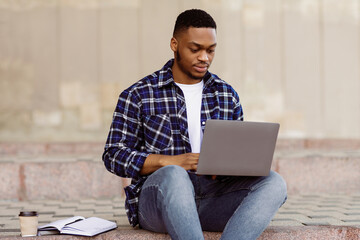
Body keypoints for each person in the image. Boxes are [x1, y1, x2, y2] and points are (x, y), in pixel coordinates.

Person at [103, 9, 287, 240]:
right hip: (158, 203)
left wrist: (229, 167)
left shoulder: (226, 94)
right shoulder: (138, 94)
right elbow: (113, 155)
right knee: (174, 175)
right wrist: (170, 162)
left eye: (211, 50)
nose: (204, 57)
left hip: (212, 199)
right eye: (195, 49)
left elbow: (236, 152)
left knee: (274, 182)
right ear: (174, 44)